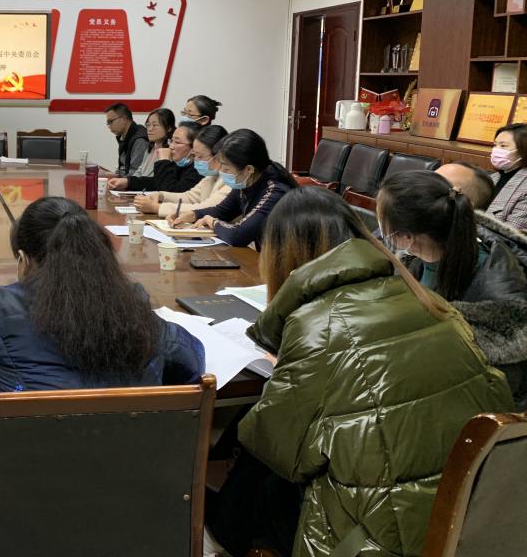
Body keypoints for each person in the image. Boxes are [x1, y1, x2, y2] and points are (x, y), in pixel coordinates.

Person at [206, 186, 513, 557]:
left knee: (255, 471)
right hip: (467, 514)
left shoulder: (317, 326)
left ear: (281, 253)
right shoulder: (423, 296)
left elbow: (277, 449)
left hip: (378, 538)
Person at [0, 196, 205, 394]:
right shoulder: (131, 303)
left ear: (23, 260)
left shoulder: (0, 311)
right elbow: (191, 362)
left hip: (34, 446)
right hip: (138, 445)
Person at [378, 171, 527, 407]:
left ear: (406, 236)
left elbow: (501, 391)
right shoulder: (420, 256)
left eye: (384, 225)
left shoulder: (501, 302)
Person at [178, 129, 296, 249]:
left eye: (226, 169)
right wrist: (193, 214)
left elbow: (238, 235)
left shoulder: (276, 191)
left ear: (248, 169)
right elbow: (222, 211)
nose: (220, 171)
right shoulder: (247, 181)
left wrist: (213, 222)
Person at [135, 125, 230, 218]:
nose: (195, 160)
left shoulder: (230, 180)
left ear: (218, 156)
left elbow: (206, 208)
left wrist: (156, 208)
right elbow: (190, 197)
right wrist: (161, 196)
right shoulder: (211, 175)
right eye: (195, 155)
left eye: (200, 156)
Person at [108, 120, 201, 194]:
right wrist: (127, 182)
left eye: (177, 142)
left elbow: (170, 192)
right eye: (171, 141)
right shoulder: (179, 165)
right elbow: (156, 182)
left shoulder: (198, 170)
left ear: (194, 147)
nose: (171, 146)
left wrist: (164, 161)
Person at [488, 123, 527, 231]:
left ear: (523, 149)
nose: (496, 150)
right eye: (495, 145)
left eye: (503, 146)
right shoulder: (493, 177)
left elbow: (511, 233)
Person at [127, 108, 177, 179]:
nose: (150, 129)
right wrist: (127, 181)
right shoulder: (151, 147)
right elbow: (140, 171)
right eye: (148, 125)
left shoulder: (171, 151)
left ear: (169, 128)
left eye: (155, 125)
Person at [104, 102, 149, 177]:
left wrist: (112, 178)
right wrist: (107, 175)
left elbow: (134, 175)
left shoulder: (139, 140)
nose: (109, 126)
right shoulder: (125, 137)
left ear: (124, 119)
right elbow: (123, 169)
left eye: (110, 122)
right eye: (108, 123)